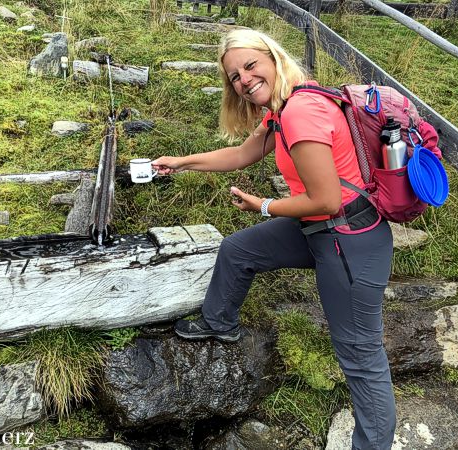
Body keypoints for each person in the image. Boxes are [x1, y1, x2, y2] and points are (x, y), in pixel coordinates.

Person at [152, 29, 395, 450]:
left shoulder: (301, 112)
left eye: (250, 66)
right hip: (319, 230)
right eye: (234, 76)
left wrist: (263, 205)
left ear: (274, 59)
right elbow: (241, 155)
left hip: (350, 241)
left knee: (360, 358)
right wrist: (182, 162)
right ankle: (218, 322)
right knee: (239, 249)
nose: (244, 80)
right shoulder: (282, 111)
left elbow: (326, 199)